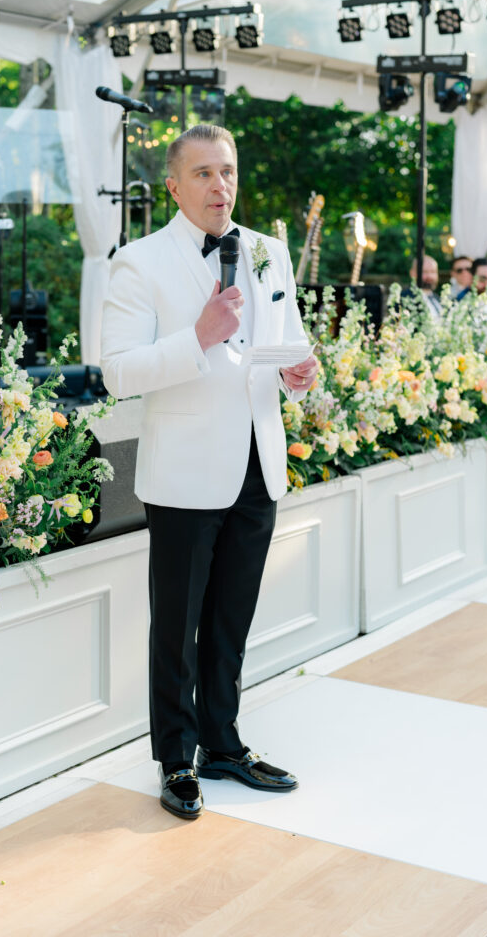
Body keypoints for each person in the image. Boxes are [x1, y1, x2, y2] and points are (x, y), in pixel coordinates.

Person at [100, 124, 318, 821]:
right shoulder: (137, 262)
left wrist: (300, 373)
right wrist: (196, 337)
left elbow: (286, 345)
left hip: (259, 463)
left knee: (230, 619)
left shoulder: (268, 250)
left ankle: (222, 743)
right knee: (176, 627)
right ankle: (176, 758)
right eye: (202, 173)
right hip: (186, 473)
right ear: (173, 185)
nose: (218, 185)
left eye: (226, 171)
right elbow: (116, 373)